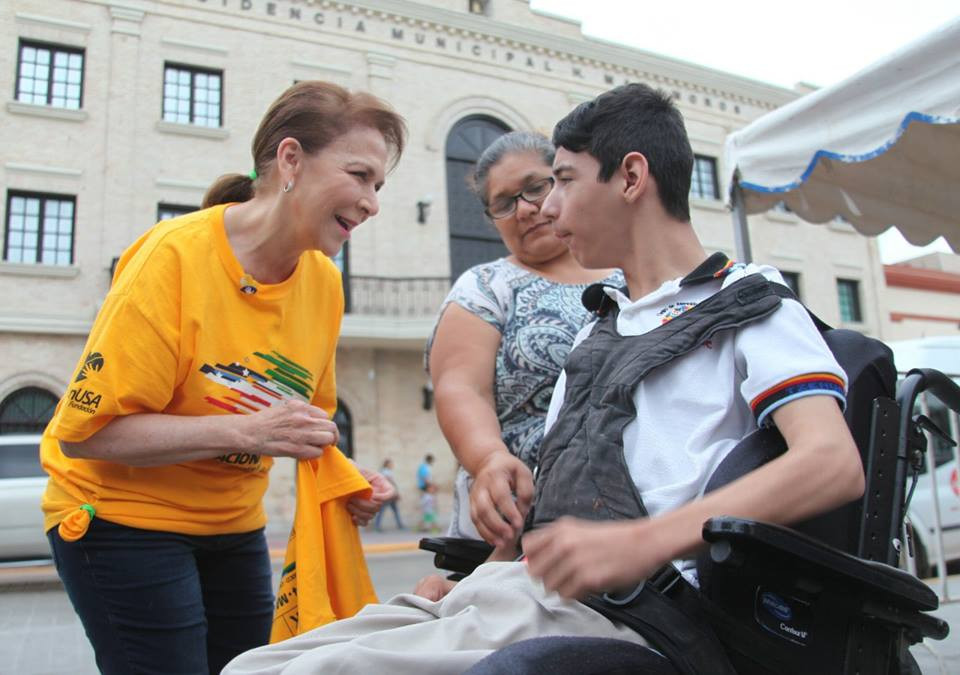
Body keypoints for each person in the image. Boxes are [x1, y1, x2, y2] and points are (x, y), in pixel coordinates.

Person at [223, 83, 864, 674]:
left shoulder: (752, 304)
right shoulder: (598, 331)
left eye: (562, 181)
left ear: (631, 177)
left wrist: (642, 543)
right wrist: (474, 581)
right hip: (520, 590)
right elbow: (553, 503)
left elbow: (833, 463)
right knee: (250, 667)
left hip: (637, 614)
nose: (548, 209)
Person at [39, 81, 405, 675]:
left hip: (235, 526)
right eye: (359, 175)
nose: (372, 203)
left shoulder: (323, 282)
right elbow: (85, 434)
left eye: (379, 186)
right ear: (291, 160)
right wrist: (248, 434)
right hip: (122, 521)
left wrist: (349, 480)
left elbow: (298, 424)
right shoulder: (173, 256)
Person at [426, 130, 621, 544]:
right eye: (504, 203)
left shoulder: (630, 274)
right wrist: (488, 459)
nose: (526, 209)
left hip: (641, 516)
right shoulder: (485, 287)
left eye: (536, 188)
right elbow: (462, 388)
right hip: (523, 522)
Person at [373, 458, 405, 531]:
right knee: (383, 510)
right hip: (389, 494)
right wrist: (396, 492)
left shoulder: (383, 471)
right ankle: (377, 526)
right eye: (390, 463)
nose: (392, 465)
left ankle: (399, 525)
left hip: (389, 493)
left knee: (394, 510)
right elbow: (391, 483)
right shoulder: (386, 472)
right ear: (387, 464)